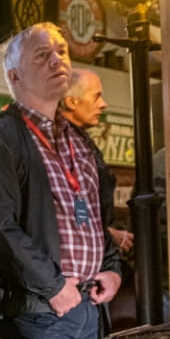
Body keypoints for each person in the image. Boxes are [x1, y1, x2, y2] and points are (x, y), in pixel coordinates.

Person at [0, 22, 122, 339]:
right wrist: (53, 287)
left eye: (62, 52)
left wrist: (112, 269)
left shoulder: (80, 142)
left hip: (89, 305)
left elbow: (101, 218)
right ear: (15, 75)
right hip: (39, 312)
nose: (57, 60)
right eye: (43, 55)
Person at [60, 68, 134, 254]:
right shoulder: (65, 144)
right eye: (96, 97)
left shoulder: (81, 141)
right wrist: (106, 234)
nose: (103, 104)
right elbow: (78, 198)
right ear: (71, 102)